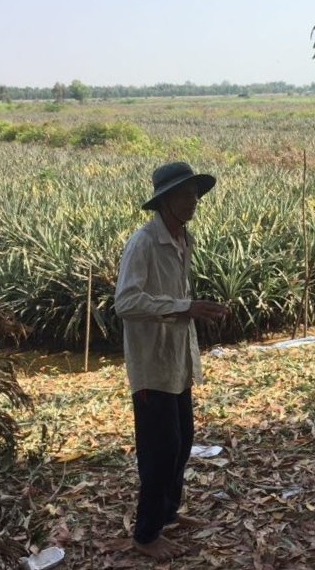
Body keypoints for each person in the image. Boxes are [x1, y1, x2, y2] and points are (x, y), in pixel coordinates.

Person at [114, 161, 229, 560]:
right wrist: (186, 306)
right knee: (159, 451)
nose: (193, 201)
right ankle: (145, 535)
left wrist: (193, 310)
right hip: (151, 365)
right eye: (184, 195)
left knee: (182, 445)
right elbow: (126, 302)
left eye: (195, 193)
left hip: (177, 360)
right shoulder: (144, 242)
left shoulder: (183, 238)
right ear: (164, 200)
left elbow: (176, 303)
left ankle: (167, 516)